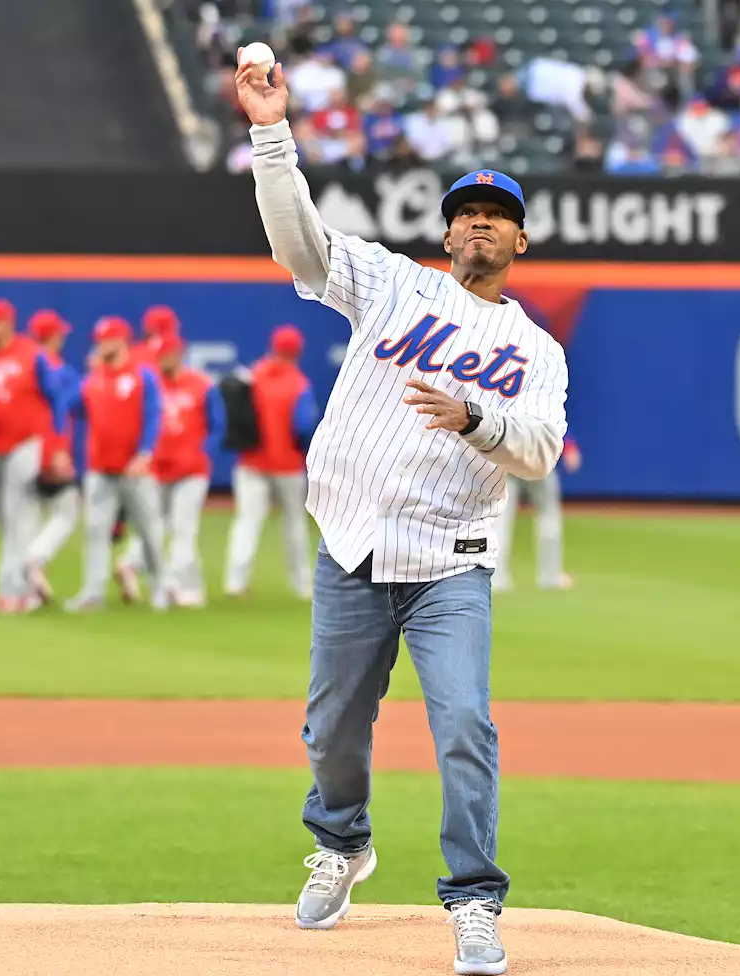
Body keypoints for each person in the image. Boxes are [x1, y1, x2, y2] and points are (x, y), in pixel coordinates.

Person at [236, 52, 568, 976]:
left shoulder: (535, 350)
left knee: (464, 723)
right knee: (331, 727)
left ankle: (473, 901)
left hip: (449, 559)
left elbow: (538, 449)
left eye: (497, 216)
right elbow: (299, 244)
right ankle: (341, 844)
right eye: (467, 211)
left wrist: (477, 416)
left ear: (519, 243)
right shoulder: (392, 283)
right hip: (350, 545)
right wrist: (272, 135)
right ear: (448, 227)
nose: (479, 223)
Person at [0, 299, 63, 613]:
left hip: (26, 444)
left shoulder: (32, 354)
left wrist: (56, 445)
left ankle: (13, 590)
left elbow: (55, 399)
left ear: (8, 322)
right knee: (4, 519)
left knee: (23, 515)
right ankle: (20, 586)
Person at [117, 320, 226, 608]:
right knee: (152, 526)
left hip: (191, 471)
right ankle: (133, 564)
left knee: (183, 528)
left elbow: (218, 425)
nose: (164, 359)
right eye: (160, 355)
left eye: (169, 354)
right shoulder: (150, 385)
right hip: (158, 469)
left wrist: (202, 452)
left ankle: (181, 584)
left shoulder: (201, 384)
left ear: (180, 354)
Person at [63, 316, 168, 612]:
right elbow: (68, 406)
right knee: (96, 531)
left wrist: (146, 452)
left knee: (149, 530)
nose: (101, 345)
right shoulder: (94, 378)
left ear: (123, 340)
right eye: (99, 340)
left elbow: (152, 416)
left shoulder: (141, 375)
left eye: (107, 339)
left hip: (135, 468)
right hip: (100, 468)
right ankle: (93, 591)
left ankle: (160, 587)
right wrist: (87, 373)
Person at [223, 325, 319, 600]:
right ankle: (302, 585)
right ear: (297, 351)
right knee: (294, 525)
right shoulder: (298, 384)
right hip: (287, 464)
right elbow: (303, 426)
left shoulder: (252, 376)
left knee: (247, 523)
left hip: (251, 463)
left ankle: (235, 583)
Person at [25, 310, 80, 604]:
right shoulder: (60, 370)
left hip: (22, 449)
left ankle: (27, 594)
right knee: (66, 513)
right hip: (51, 447)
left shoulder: (23, 364)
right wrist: (58, 449)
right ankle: (37, 557)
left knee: (29, 518)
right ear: (54, 336)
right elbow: (60, 411)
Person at [492, 435, 581, 592]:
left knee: (501, 517)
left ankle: (497, 578)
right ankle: (550, 577)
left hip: (508, 452)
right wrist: (569, 445)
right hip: (537, 453)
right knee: (548, 514)